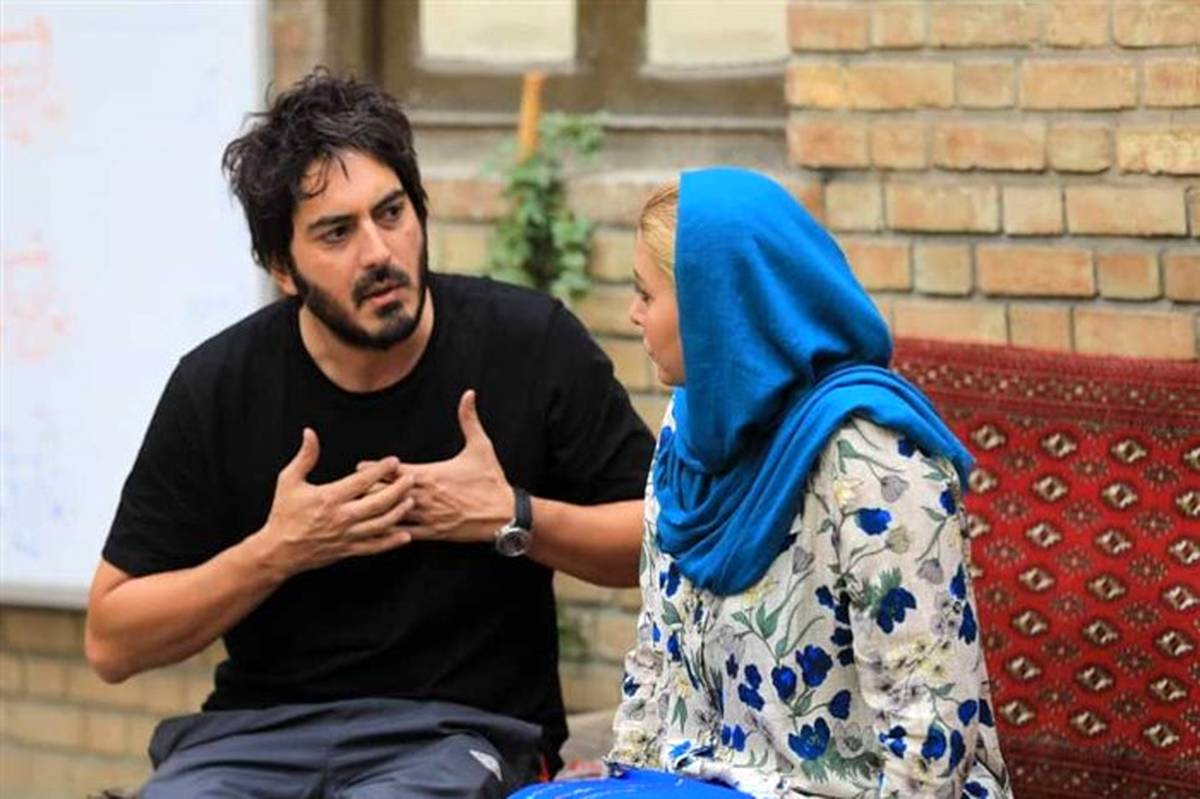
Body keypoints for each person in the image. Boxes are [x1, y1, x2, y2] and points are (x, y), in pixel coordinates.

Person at [83, 70, 655, 798]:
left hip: (458, 734)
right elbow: (112, 640)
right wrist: (276, 551)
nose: (379, 251)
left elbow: (662, 542)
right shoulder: (218, 385)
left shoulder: (529, 344)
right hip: (256, 741)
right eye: (337, 232)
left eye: (391, 213)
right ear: (282, 268)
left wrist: (514, 515)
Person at [514, 168, 1011, 798]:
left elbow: (931, 735)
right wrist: (624, 781)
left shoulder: (875, 463)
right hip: (707, 782)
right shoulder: (690, 434)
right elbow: (657, 656)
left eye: (646, 294)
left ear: (715, 306)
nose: (632, 315)